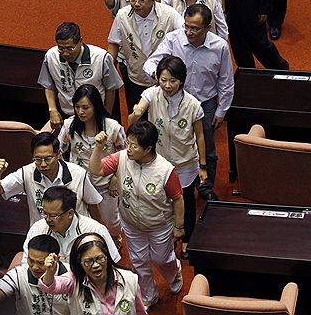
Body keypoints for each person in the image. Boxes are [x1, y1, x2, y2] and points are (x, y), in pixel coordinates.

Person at [89, 120, 185, 311]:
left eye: (134, 145)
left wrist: (179, 227)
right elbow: (96, 170)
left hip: (160, 225)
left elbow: (178, 199)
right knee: (138, 262)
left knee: (162, 259)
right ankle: (150, 295)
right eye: (128, 143)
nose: (129, 148)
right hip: (132, 224)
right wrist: (98, 148)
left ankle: (175, 273)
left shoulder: (165, 170)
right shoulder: (122, 158)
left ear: (148, 148)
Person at [143, 4, 234, 201]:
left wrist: (221, 112)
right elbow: (150, 63)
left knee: (207, 147)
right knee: (173, 143)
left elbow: (226, 82)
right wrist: (160, 79)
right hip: (175, 102)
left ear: (207, 28)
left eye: (195, 28)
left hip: (205, 104)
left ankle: (205, 186)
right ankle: (171, 185)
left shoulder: (219, 47)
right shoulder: (173, 39)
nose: (189, 32)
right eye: (186, 26)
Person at [128, 56, 207, 260]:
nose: (167, 85)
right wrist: (137, 112)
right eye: (163, 80)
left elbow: (199, 135)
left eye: (172, 80)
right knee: (165, 201)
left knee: (186, 201)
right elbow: (138, 110)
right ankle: (169, 236)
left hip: (185, 163)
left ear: (181, 80)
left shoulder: (193, 104)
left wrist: (203, 165)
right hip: (160, 163)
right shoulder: (152, 94)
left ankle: (187, 237)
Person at [58, 84, 125, 248]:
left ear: (96, 106)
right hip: (79, 183)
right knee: (83, 219)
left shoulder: (113, 127)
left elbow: (124, 155)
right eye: (77, 107)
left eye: (86, 107)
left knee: (111, 220)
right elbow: (59, 151)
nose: (81, 112)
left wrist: (116, 177)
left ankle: (114, 238)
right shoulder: (69, 126)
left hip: (105, 184)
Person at [0, 132, 102, 226]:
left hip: (76, 232)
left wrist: (100, 231)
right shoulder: (26, 172)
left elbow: (93, 203)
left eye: (48, 159)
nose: (42, 164)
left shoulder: (78, 173)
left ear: (59, 154)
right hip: (43, 236)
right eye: (37, 159)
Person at [108, 0, 184, 113]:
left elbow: (184, 38)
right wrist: (109, 70)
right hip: (136, 77)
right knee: (138, 115)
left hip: (164, 81)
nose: (136, 4)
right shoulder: (122, 15)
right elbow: (113, 43)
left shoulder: (169, 14)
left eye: (141, 0)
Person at [37, 21, 123, 130]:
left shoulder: (101, 57)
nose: (65, 53)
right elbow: (49, 86)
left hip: (95, 115)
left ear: (80, 42)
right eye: (61, 48)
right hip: (68, 114)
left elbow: (111, 88)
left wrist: (106, 117)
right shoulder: (50, 57)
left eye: (70, 48)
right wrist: (52, 110)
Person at [38, 233, 146, 315]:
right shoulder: (74, 280)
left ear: (107, 257)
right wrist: (50, 272)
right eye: (88, 261)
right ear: (80, 263)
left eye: (100, 258)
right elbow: (50, 287)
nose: (95, 265)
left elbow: (140, 311)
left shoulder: (129, 279)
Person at [22, 186, 121, 265]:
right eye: (45, 214)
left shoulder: (94, 230)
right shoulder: (37, 229)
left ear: (70, 213)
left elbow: (114, 263)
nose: (47, 220)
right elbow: (26, 263)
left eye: (53, 216)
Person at [0, 235, 69, 315]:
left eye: (41, 263)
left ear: (56, 259)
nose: (35, 267)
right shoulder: (19, 273)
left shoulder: (71, 274)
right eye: (31, 261)